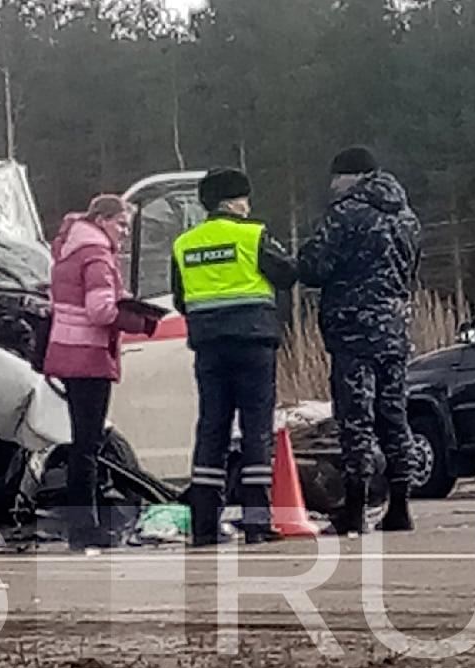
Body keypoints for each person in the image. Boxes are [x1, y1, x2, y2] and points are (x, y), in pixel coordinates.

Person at [296, 147, 422, 536]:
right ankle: (400, 506)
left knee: (356, 420)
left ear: (351, 176)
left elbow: (314, 267)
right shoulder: (407, 217)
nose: (332, 187)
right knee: (394, 416)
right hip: (395, 330)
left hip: (354, 332)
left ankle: (354, 508)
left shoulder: (346, 214)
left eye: (336, 178)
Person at [171, 168, 298, 547]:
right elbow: (288, 273)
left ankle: (205, 526)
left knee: (212, 429)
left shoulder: (184, 244)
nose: (248, 205)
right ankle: (256, 522)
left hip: (209, 347)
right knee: (255, 430)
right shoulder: (252, 234)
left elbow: (180, 299)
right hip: (253, 343)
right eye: (245, 198)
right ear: (233, 201)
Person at [44, 195, 157, 550]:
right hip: (90, 357)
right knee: (88, 444)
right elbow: (100, 310)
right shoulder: (96, 255)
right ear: (103, 219)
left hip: (66, 352)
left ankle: (82, 522)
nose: (124, 233)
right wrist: (140, 319)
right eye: (121, 224)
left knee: (82, 439)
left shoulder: (68, 250)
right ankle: (85, 526)